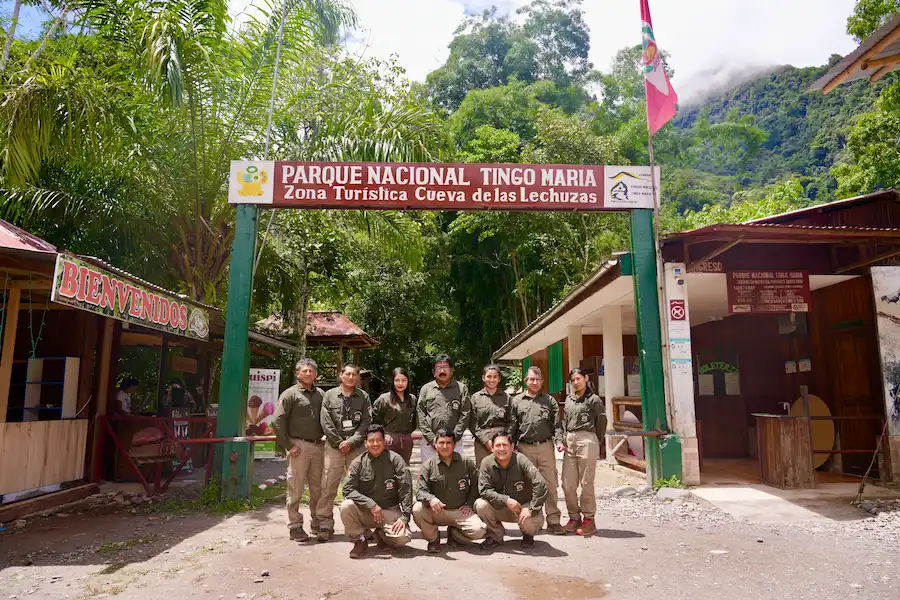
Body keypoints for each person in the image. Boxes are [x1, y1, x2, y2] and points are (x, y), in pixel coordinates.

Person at [272, 358, 326, 542]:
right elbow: (277, 420)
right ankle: (295, 526)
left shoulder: (321, 394)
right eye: (305, 371)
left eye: (311, 371)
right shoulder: (290, 394)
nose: (308, 373)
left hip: (319, 446)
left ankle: (317, 522)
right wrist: (288, 445)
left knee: (318, 489)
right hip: (299, 446)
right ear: (298, 373)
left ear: (316, 374)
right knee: (295, 488)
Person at [316, 363, 371, 542]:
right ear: (341, 375)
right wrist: (339, 442)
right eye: (347, 374)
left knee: (361, 485)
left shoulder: (363, 396)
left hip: (356, 447)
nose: (351, 377)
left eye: (354, 375)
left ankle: (363, 524)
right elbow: (325, 421)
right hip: (334, 446)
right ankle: (324, 524)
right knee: (328, 486)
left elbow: (366, 421)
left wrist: (352, 442)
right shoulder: (329, 395)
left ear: (358, 378)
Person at [340, 424, 412, 559]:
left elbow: (406, 489)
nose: (375, 444)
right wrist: (370, 504)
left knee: (402, 539)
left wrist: (405, 517)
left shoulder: (395, 460)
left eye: (379, 440)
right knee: (346, 506)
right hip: (366, 511)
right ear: (365, 443)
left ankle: (381, 534)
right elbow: (347, 489)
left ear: (384, 441)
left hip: (389, 510)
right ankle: (360, 540)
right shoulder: (358, 463)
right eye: (371, 441)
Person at [510, 365, 565, 535]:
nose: (534, 382)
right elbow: (512, 425)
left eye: (537, 379)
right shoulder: (516, 401)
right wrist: (512, 445)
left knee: (550, 484)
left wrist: (559, 441)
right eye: (531, 379)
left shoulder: (549, 401)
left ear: (542, 381)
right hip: (524, 448)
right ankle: (534, 519)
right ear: (525, 380)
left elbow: (557, 425)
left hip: (545, 446)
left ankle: (554, 520)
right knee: (529, 485)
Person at [413, 428, 486, 553]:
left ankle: (455, 535)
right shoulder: (428, 465)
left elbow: (477, 484)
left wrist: (469, 504)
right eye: (441, 443)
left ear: (454, 445)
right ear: (435, 444)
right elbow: (420, 491)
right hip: (437, 511)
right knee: (417, 509)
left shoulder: (465, 462)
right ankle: (433, 539)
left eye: (448, 443)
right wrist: (431, 499)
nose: (445, 446)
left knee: (479, 531)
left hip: (460, 511)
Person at [475, 431, 547, 549]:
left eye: (505, 445)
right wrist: (506, 500)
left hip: (523, 506)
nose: (501, 449)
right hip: (501, 507)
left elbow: (541, 483)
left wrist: (532, 508)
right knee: (480, 505)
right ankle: (495, 535)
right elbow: (484, 490)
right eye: (498, 445)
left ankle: (527, 535)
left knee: (528, 524)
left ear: (512, 447)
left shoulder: (521, 459)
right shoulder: (486, 462)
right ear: (492, 448)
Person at [560, 368, 607, 537]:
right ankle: (574, 517)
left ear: (585, 378)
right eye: (573, 380)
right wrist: (563, 439)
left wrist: (596, 440)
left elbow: (602, 421)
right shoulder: (569, 399)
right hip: (570, 441)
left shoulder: (593, 400)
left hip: (587, 438)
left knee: (586, 482)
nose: (576, 382)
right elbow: (564, 421)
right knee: (567, 483)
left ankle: (589, 519)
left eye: (578, 378)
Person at [417, 355, 471, 463]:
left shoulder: (461, 388)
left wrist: (454, 437)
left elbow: (465, 413)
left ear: (451, 370)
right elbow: (420, 414)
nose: (442, 371)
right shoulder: (426, 389)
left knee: (455, 470)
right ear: (434, 371)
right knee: (430, 471)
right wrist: (431, 438)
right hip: (430, 443)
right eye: (438, 368)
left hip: (455, 442)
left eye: (445, 367)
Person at [469, 365, 512, 466]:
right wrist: (485, 441)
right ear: (483, 378)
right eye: (489, 376)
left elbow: (512, 420)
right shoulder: (475, 398)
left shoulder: (507, 398)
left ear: (499, 379)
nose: (492, 380)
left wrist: (505, 438)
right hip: (482, 441)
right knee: (483, 470)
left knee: (504, 470)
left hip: (502, 441)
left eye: (495, 377)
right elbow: (472, 422)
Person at [372, 367, 417, 464]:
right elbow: (374, 418)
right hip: (389, 439)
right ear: (392, 381)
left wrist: (409, 435)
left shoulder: (412, 399)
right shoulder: (384, 399)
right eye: (397, 380)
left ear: (408, 382)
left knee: (403, 468)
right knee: (388, 468)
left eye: (403, 380)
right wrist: (383, 433)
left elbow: (415, 419)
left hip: (406, 440)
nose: (400, 383)